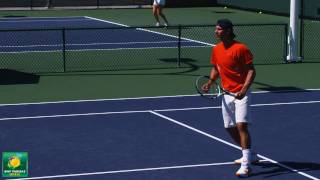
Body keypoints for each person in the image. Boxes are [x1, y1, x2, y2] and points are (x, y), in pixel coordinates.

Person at [203, 19, 258, 177]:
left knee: (242, 126)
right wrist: (210, 82)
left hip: (242, 93)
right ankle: (251, 154)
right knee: (229, 127)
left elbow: (251, 71)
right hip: (227, 93)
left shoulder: (241, 48)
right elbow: (216, 68)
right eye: (216, 29)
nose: (216, 32)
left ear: (228, 31)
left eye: (219, 29)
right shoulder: (216, 49)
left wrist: (244, 89)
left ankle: (246, 165)